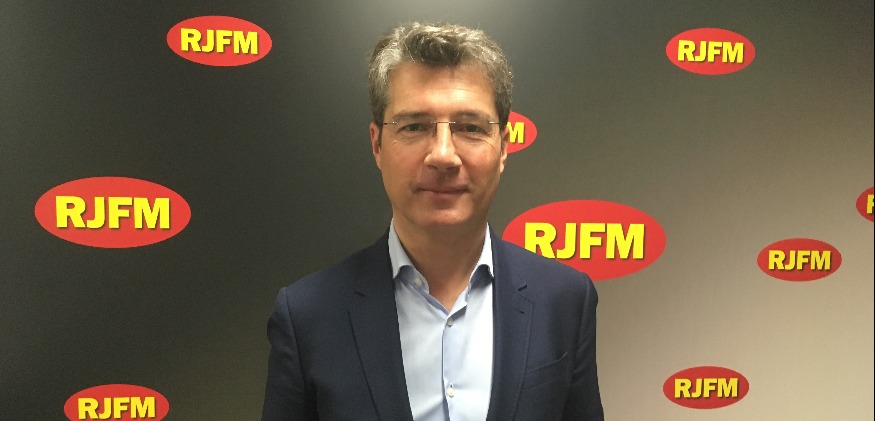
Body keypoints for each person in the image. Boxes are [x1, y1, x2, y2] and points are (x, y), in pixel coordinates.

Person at [261, 22, 603, 421]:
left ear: (504, 148)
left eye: (470, 128)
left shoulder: (565, 301)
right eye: (414, 127)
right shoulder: (307, 316)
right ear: (376, 144)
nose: (443, 155)